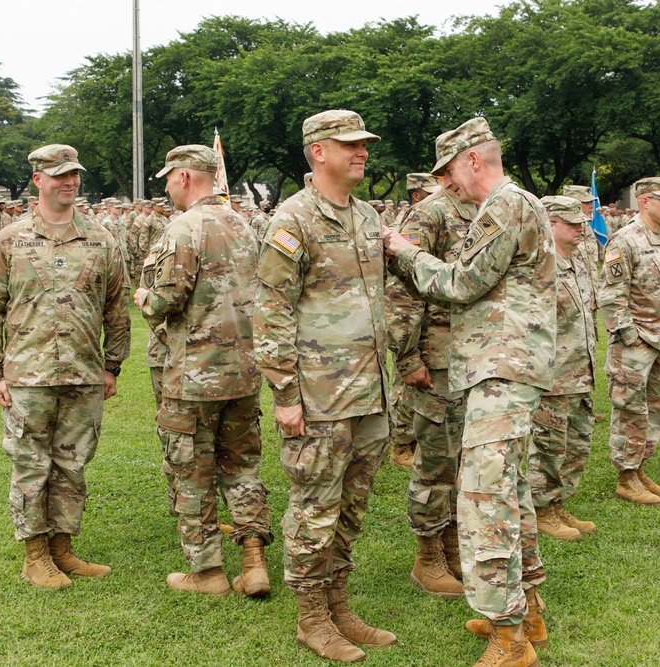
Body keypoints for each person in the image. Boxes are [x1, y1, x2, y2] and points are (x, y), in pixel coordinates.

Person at [384, 117, 555, 667]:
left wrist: (401, 250)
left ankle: (509, 639)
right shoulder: (510, 205)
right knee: (511, 490)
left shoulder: (505, 205)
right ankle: (526, 609)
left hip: (502, 370)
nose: (447, 184)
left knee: (485, 499)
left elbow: (460, 283)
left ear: (474, 161)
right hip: (503, 368)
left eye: (451, 171)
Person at [254, 110, 395, 663]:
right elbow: (270, 310)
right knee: (315, 506)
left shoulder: (365, 216)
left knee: (353, 504)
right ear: (318, 151)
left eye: (364, 144)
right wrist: (286, 394)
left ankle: (338, 602)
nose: (362, 152)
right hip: (319, 395)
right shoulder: (293, 220)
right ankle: (311, 617)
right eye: (350, 144)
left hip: (369, 392)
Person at [0, 144, 131, 589]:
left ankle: (62, 548)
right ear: (37, 180)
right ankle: (35, 555)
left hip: (84, 373)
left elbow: (117, 308)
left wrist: (112, 365)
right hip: (28, 375)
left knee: (72, 464)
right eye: (60, 175)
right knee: (30, 464)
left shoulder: (101, 237)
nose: (70, 182)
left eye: (75, 174)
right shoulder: (10, 239)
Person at [135, 144, 273, 598]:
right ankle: (254, 561)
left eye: (170, 178)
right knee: (243, 467)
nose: (169, 187)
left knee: (191, 470)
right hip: (244, 370)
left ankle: (207, 571)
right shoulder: (245, 224)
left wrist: (144, 300)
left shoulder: (184, 227)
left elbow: (166, 298)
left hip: (193, 374)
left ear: (186, 177)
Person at [386, 171, 475, 599]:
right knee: (435, 462)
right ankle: (428, 557)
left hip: (472, 358)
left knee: (461, 461)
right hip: (436, 361)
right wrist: (407, 358)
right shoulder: (429, 214)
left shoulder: (478, 211)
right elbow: (401, 291)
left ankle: (453, 545)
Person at [598, 177, 660, 503]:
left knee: (656, 409)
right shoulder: (625, 241)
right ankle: (625, 477)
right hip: (637, 342)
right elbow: (611, 296)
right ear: (645, 201)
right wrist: (631, 338)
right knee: (630, 409)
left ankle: (640, 468)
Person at [529, 196, 598, 541]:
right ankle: (541, 509)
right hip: (553, 376)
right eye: (572, 224)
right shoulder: (539, 266)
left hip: (580, 371)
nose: (580, 230)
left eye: (581, 224)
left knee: (577, 444)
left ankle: (557, 504)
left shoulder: (576, 262)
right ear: (549, 225)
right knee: (548, 448)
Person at [387, 172, 445, 471]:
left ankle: (408, 439)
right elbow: (401, 289)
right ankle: (401, 443)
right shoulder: (413, 224)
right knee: (404, 387)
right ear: (417, 195)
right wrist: (406, 350)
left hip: (431, 329)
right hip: (416, 328)